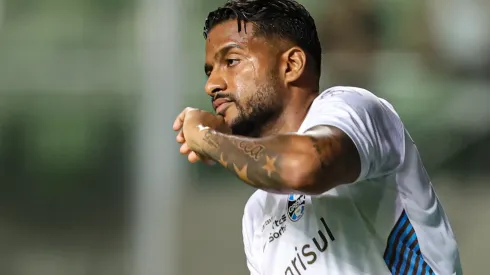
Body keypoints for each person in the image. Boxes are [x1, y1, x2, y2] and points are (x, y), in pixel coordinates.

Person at [172, 0, 463, 274]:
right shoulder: (257, 213)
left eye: (231, 61)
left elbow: (304, 167)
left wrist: (206, 138)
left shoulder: (355, 107)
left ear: (291, 65)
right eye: (210, 71)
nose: (212, 84)